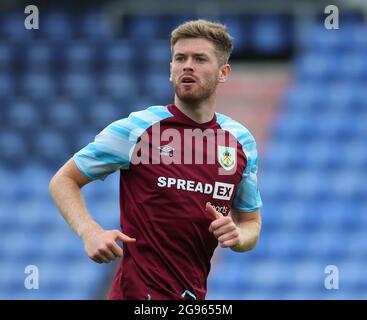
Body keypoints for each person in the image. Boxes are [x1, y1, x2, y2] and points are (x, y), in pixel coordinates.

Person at [49, 19, 262, 300]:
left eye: (199, 59)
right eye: (180, 58)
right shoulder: (138, 129)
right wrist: (89, 231)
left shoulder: (240, 141)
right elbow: (63, 180)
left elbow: (251, 224)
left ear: (223, 72)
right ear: (170, 69)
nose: (187, 65)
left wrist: (238, 235)